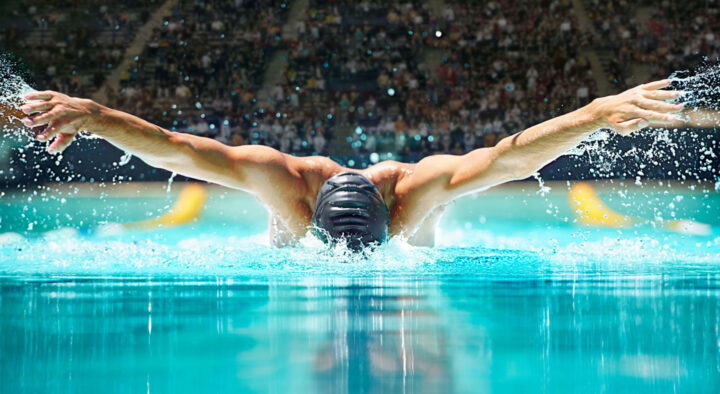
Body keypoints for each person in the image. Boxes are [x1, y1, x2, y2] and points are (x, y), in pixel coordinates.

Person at [13, 80, 699, 249]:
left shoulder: (419, 188)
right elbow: (181, 147)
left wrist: (594, 112)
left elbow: (508, 156)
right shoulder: (280, 179)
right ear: (308, 214)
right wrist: (97, 115)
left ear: (390, 218)